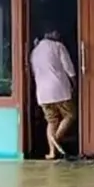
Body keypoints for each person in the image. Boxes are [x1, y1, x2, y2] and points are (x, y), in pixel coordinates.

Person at [30, 28, 77, 160]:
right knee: (70, 115)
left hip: (42, 92)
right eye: (57, 33)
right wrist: (74, 82)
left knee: (52, 121)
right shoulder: (58, 46)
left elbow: (34, 73)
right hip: (59, 89)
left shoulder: (35, 51)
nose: (59, 35)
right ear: (50, 34)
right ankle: (56, 139)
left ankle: (52, 152)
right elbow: (68, 67)